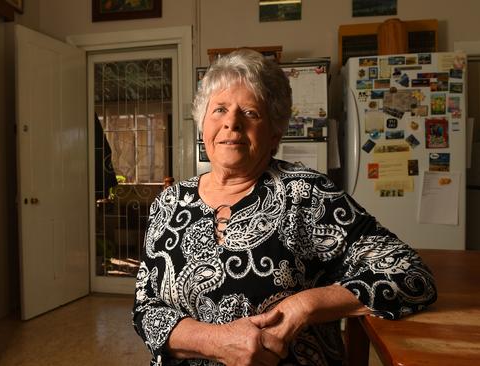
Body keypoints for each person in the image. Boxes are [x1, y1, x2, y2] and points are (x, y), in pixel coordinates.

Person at [132, 49, 437, 366]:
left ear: (274, 133)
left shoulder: (307, 193)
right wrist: (213, 342)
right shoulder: (168, 202)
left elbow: (410, 275)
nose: (232, 123)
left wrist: (305, 306)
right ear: (202, 125)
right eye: (219, 109)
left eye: (250, 113)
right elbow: (145, 308)